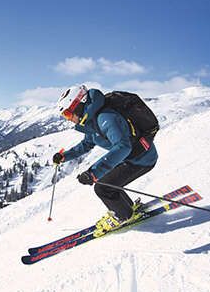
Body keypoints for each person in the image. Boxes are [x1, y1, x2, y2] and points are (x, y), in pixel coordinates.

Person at [53, 85, 158, 235]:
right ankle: (128, 209)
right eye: (65, 116)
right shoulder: (91, 120)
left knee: (103, 188)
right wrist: (65, 156)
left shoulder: (106, 118)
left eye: (68, 114)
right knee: (110, 183)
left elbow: (123, 147)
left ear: (79, 105)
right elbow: (87, 143)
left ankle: (123, 216)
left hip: (141, 159)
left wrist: (94, 172)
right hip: (129, 157)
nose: (69, 119)